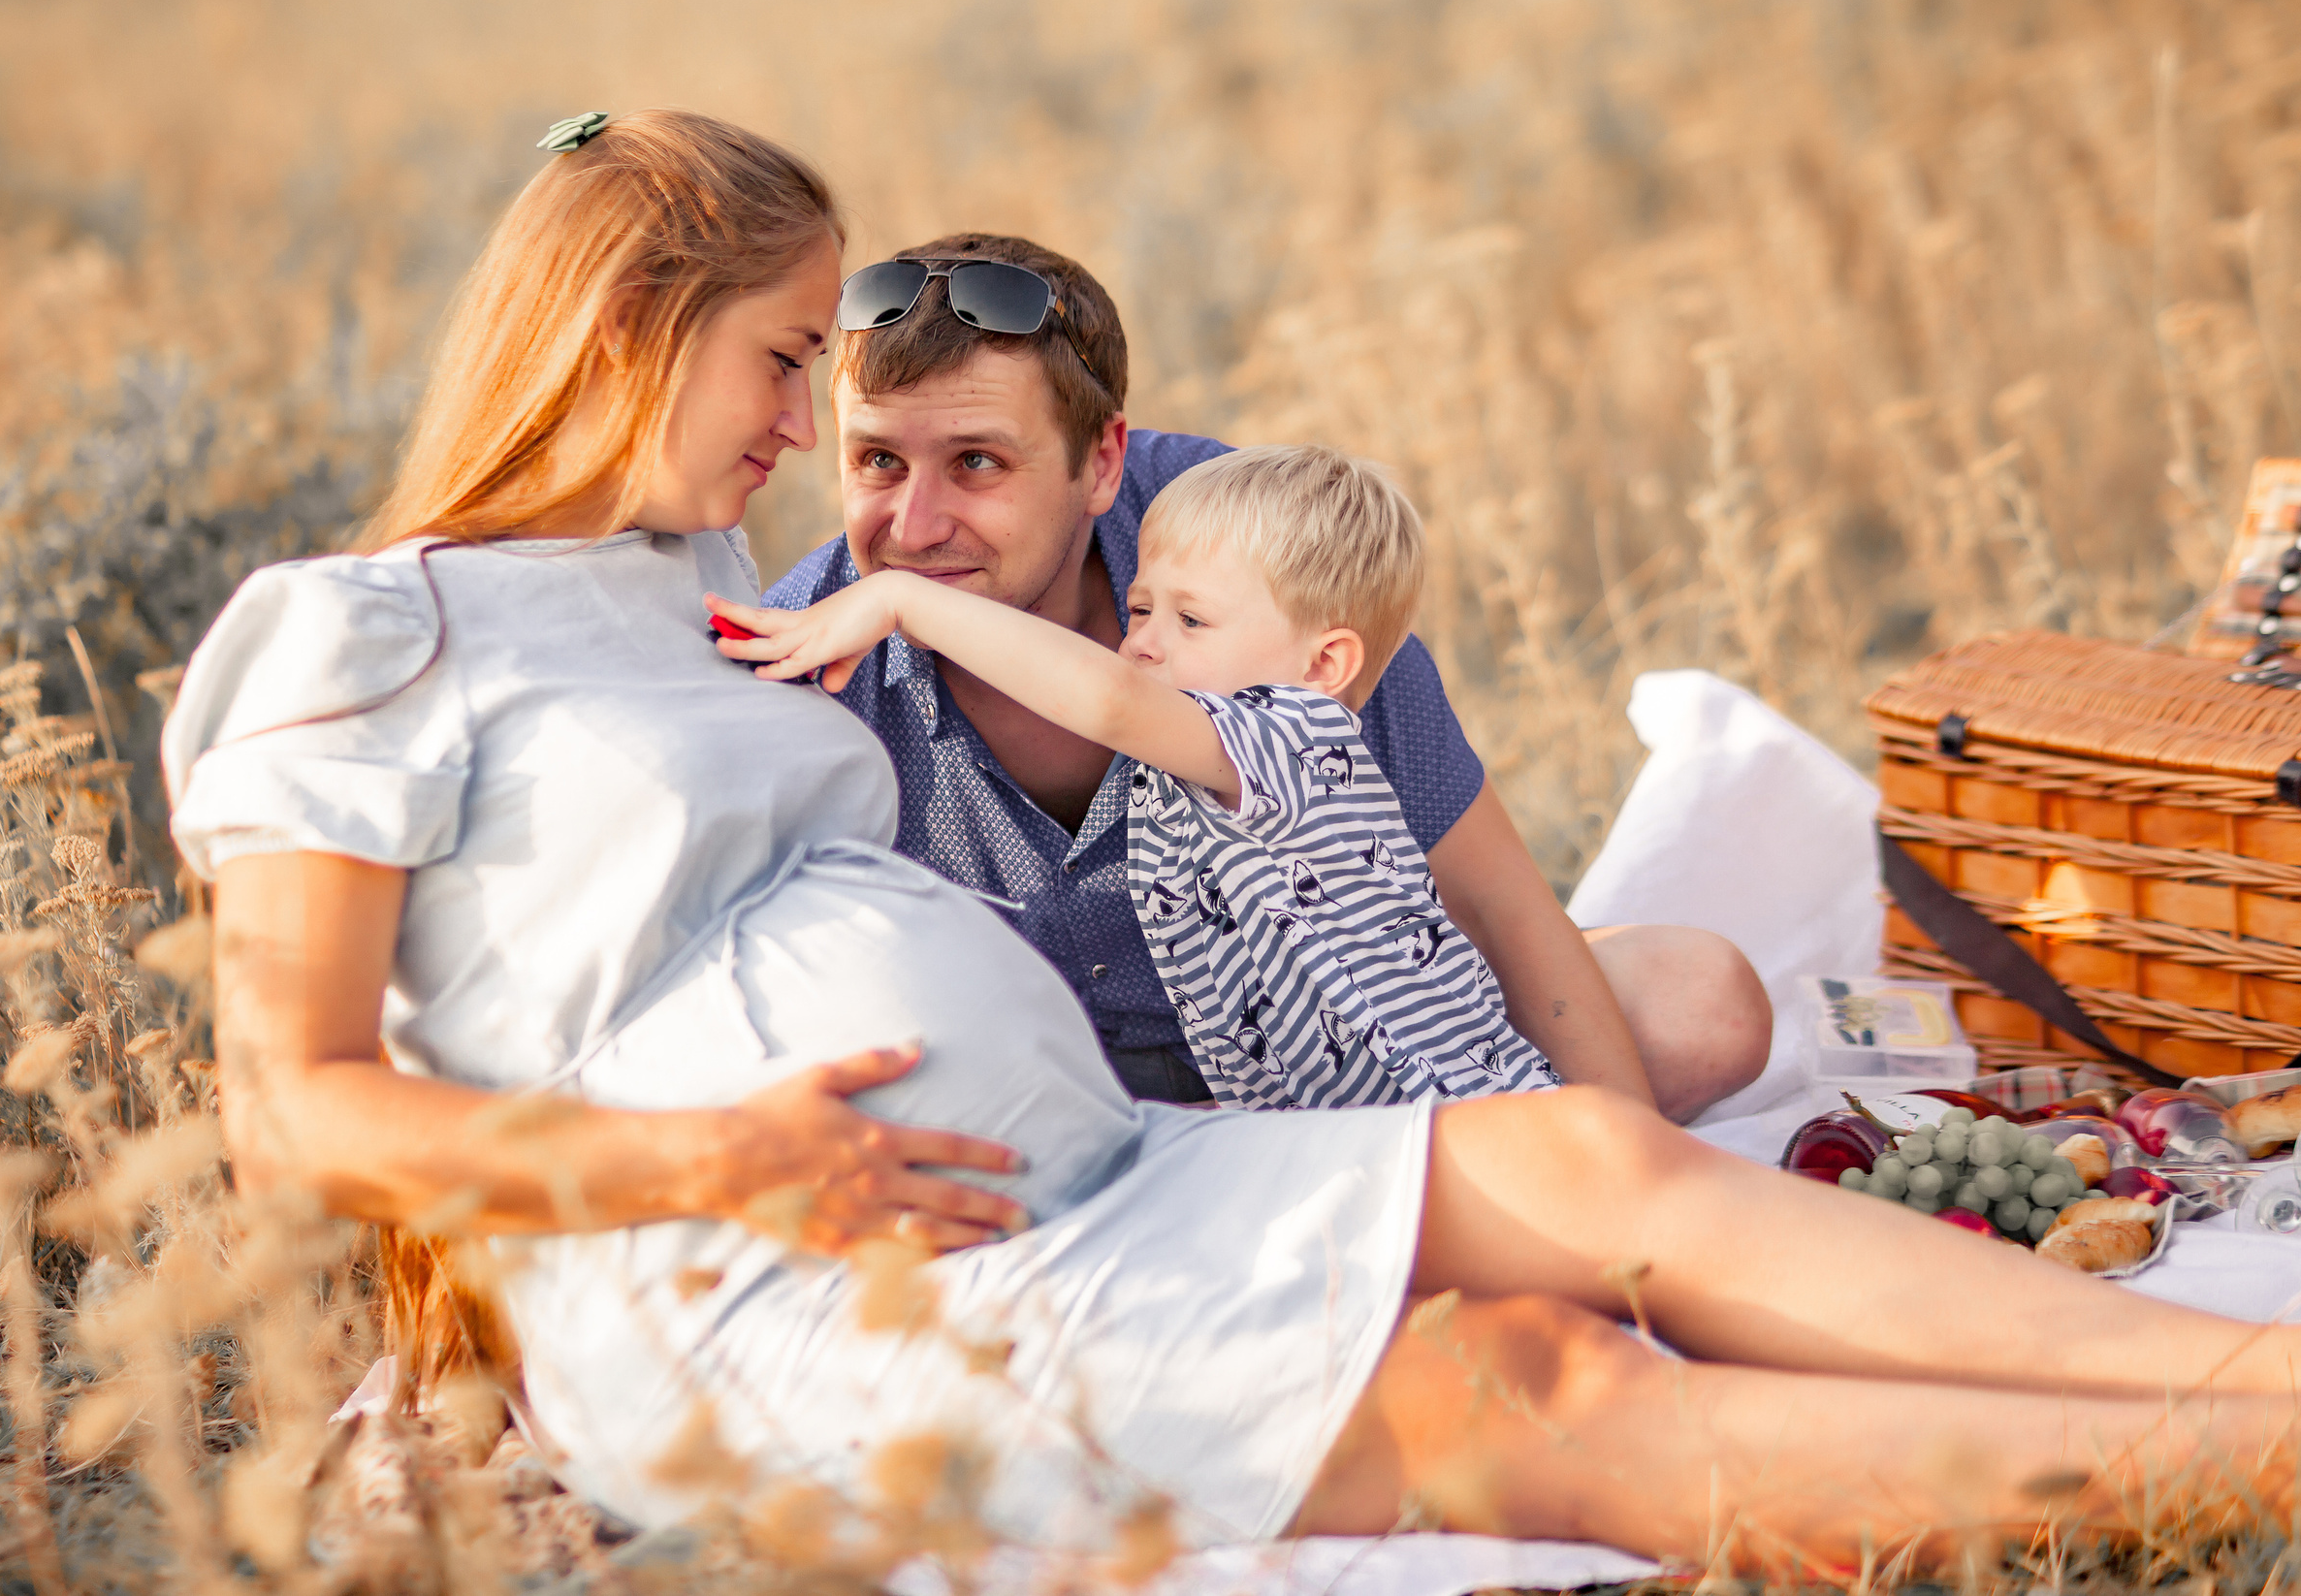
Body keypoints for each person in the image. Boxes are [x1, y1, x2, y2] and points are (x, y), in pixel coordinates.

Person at [175, 109, 2301, 1577]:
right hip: (803, 1268)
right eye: (787, 359)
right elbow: (298, 1113)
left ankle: (2263, 1378)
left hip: (1097, 1156)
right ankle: (2241, 1470)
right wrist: (703, 1165)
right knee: (1528, 1382)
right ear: (627, 324)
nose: (807, 426)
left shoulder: (703, 590)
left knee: (1580, 1152)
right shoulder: (359, 631)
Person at [763, 233, 1768, 1120]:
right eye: (877, 462)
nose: (915, 527)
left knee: (1698, 1005)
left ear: (1101, 463)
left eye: (977, 463)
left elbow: (1494, 898)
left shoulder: (1248, 551)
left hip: (1322, 1047)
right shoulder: (806, 653)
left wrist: (1630, 1176)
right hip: (1038, 1097)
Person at [713, 442, 1559, 1109]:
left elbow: (1108, 698)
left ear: (1322, 662)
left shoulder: (1295, 736)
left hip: (1442, 1099)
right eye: (1143, 606)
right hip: (1336, 1115)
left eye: (1191, 618)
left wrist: (903, 601)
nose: (1146, 638)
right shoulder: (1204, 751)